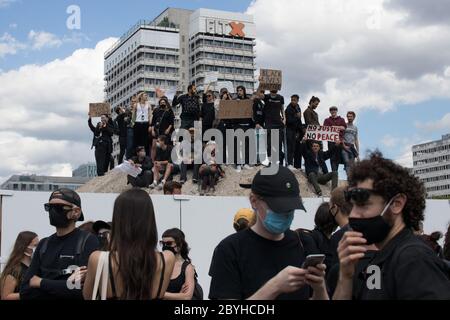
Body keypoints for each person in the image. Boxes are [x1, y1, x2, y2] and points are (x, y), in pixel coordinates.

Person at [333, 152, 450, 300]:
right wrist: (346, 276)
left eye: (363, 203)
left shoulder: (413, 259)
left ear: (397, 204)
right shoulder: (379, 259)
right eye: (352, 205)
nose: (353, 215)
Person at [209, 166, 329, 300]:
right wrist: (274, 287)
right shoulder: (230, 250)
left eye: (290, 209)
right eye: (278, 208)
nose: (284, 214)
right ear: (254, 201)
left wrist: (320, 288)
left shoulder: (304, 243)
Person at [83, 189, 175, 300]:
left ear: (118, 220)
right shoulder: (167, 259)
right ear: (150, 219)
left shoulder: (98, 259)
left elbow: (87, 296)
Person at [20, 188, 99, 300]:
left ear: (76, 212)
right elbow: (25, 291)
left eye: (58, 207)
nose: (53, 211)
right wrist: (65, 284)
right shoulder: (44, 244)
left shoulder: (88, 241)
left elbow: (82, 291)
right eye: (49, 207)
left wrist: (41, 282)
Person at [0, 231, 38, 300]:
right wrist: (28, 294)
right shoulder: (14, 269)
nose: (38, 248)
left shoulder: (35, 265)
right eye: (35, 245)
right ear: (25, 246)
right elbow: (5, 296)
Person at [162, 228, 196, 300]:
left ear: (179, 245)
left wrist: (161, 294)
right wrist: (179, 295)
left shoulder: (187, 268)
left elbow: (187, 297)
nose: (165, 246)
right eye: (162, 243)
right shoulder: (159, 264)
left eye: (169, 243)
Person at [325, 186, 353, 270]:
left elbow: (335, 274)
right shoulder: (363, 230)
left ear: (335, 208)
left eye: (330, 206)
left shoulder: (338, 237)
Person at [263, 90, 285, 166]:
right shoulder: (266, 96)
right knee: (269, 144)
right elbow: (259, 96)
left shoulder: (280, 97)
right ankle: (270, 161)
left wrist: (284, 118)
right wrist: (262, 84)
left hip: (278, 123)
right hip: (269, 123)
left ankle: (277, 162)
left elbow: (282, 109)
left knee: (278, 144)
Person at [150, 97, 175, 162]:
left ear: (166, 103)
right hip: (156, 130)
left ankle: (167, 160)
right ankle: (152, 161)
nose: (162, 103)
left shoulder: (169, 111)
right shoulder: (156, 110)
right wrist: (152, 130)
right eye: (161, 102)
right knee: (154, 146)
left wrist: (168, 129)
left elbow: (171, 122)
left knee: (165, 146)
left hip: (165, 130)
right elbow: (153, 121)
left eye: (163, 102)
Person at [323, 106, 347, 174]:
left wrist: (334, 127)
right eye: (331, 110)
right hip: (331, 142)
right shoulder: (327, 120)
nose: (333, 111)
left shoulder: (341, 119)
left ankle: (343, 170)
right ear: (330, 112)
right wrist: (339, 128)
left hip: (340, 141)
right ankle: (334, 174)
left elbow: (344, 128)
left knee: (340, 157)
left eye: (334, 110)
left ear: (336, 111)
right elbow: (325, 130)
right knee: (332, 157)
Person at [285, 94, 304, 170]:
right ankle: (290, 164)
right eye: (292, 100)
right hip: (290, 130)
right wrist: (296, 116)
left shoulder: (298, 107)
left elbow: (299, 120)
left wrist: (300, 131)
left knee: (298, 149)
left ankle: (298, 166)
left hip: (297, 131)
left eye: (294, 100)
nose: (293, 101)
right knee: (291, 147)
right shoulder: (288, 109)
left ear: (297, 101)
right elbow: (289, 121)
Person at [133, 92, 152, 156]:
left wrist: (150, 125)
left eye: (147, 95)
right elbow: (133, 115)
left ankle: (146, 156)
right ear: (141, 97)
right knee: (137, 141)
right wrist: (133, 123)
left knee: (145, 141)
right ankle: (136, 155)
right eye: (145, 95)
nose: (146, 96)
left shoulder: (148, 105)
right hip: (138, 123)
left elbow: (150, 115)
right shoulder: (136, 105)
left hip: (145, 123)